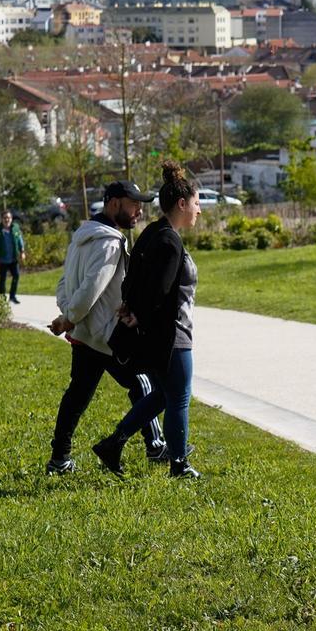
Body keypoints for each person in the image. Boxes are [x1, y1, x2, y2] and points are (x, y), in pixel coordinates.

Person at [45, 181, 168, 475]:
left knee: (77, 395)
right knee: (144, 382)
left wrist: (68, 314)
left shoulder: (82, 236)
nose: (139, 210)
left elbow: (65, 283)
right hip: (107, 336)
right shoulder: (110, 242)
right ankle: (155, 446)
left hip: (86, 335)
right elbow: (90, 289)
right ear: (114, 204)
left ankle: (59, 459)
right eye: (134, 204)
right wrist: (69, 317)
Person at [93, 161, 202, 479]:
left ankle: (113, 443)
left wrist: (131, 308)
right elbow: (159, 292)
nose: (199, 210)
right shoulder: (170, 241)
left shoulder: (152, 232)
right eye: (196, 204)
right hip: (172, 336)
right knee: (179, 397)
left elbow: (132, 280)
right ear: (181, 204)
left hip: (155, 334)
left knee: (163, 395)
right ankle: (179, 464)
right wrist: (138, 314)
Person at [0, 211, 25, 304]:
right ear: (1, 219)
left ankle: (12, 296)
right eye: (5, 218)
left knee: (16, 276)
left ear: (11, 219)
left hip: (13, 258)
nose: (7, 220)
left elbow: (20, 240)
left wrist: (22, 251)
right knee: (2, 279)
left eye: (8, 218)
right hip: (2, 259)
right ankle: (2, 298)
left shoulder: (15, 228)